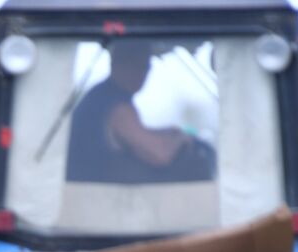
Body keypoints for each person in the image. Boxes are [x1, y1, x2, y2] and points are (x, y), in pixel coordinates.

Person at [65, 40, 215, 184]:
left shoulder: (102, 96)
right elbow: (159, 154)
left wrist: (167, 133)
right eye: (138, 65)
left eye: (146, 67)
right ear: (117, 63)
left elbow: (136, 134)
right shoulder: (115, 105)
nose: (143, 73)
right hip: (94, 197)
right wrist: (181, 139)